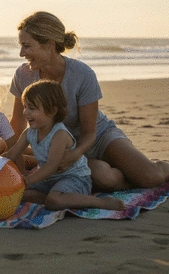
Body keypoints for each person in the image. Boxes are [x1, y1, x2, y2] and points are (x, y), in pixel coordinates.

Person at [10, 11, 169, 192]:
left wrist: (73, 156)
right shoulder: (23, 75)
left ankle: (160, 166)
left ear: (49, 44)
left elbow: (90, 132)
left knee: (151, 177)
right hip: (60, 147)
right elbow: (16, 124)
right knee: (105, 178)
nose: (22, 53)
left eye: (27, 46)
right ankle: (122, 173)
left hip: (99, 138)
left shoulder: (82, 74)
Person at [5, 80, 125, 210]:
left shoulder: (59, 134)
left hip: (74, 178)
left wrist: (28, 180)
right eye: (25, 106)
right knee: (21, 194)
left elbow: (51, 166)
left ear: (51, 111)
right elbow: (12, 154)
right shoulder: (30, 133)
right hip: (49, 179)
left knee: (54, 200)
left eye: (32, 108)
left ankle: (99, 202)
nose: (25, 112)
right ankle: (58, 199)